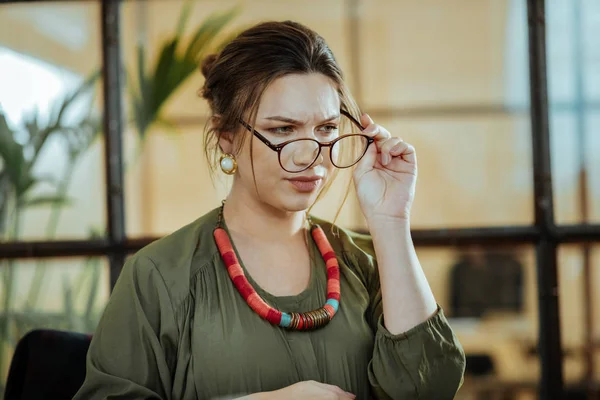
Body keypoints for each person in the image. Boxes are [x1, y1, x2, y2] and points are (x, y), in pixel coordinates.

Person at [74, 20, 465, 400]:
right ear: (226, 135)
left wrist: (391, 221)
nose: (309, 155)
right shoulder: (160, 275)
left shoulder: (366, 263)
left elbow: (429, 388)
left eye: (327, 129)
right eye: (282, 130)